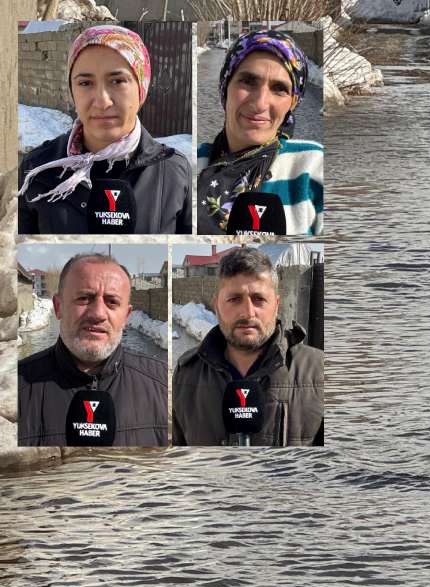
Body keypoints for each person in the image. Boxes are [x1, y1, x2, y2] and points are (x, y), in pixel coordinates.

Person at [18, 25, 191, 234]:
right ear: (72, 90)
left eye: (117, 81)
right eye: (85, 83)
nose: (102, 101)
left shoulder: (173, 172)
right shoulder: (37, 168)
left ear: (141, 88)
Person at [172, 246, 324, 446]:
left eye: (259, 299)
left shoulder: (319, 371)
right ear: (217, 304)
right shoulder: (186, 374)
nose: (247, 312)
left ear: (276, 304)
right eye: (234, 299)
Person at [18, 253, 169, 446]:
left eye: (112, 302)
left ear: (126, 316)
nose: (98, 313)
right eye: (84, 298)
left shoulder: (163, 385)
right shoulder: (15, 388)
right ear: (58, 307)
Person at [196, 31, 324, 236]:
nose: (260, 103)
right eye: (248, 81)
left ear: (292, 102)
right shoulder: (189, 165)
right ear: (225, 87)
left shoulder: (313, 167)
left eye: (279, 88)